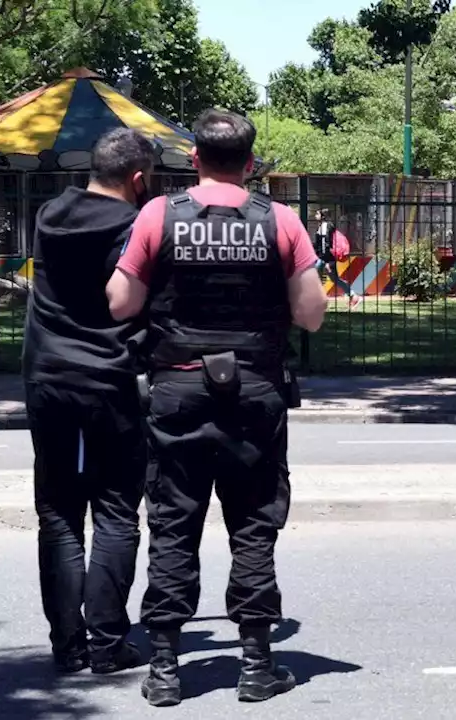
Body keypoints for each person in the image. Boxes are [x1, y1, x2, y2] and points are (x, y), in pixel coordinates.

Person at [106, 109, 328, 707]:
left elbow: (122, 302)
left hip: (177, 392)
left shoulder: (158, 214)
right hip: (255, 394)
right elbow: (311, 314)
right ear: (251, 165)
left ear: (195, 159)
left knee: (174, 524)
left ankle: (164, 670)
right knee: (254, 525)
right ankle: (256, 666)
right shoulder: (280, 221)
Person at [21, 128, 158, 675]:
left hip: (47, 375)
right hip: (109, 377)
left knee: (57, 511)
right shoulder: (134, 227)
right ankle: (107, 642)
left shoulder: (50, 214)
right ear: (139, 179)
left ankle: (67, 645)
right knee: (117, 511)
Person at [313, 208, 361, 308]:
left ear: (323, 215)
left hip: (326, 258)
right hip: (323, 257)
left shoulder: (327, 226)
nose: (315, 215)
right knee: (334, 279)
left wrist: (327, 261)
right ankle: (353, 295)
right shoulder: (322, 226)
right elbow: (320, 244)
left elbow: (328, 244)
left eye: (317, 213)